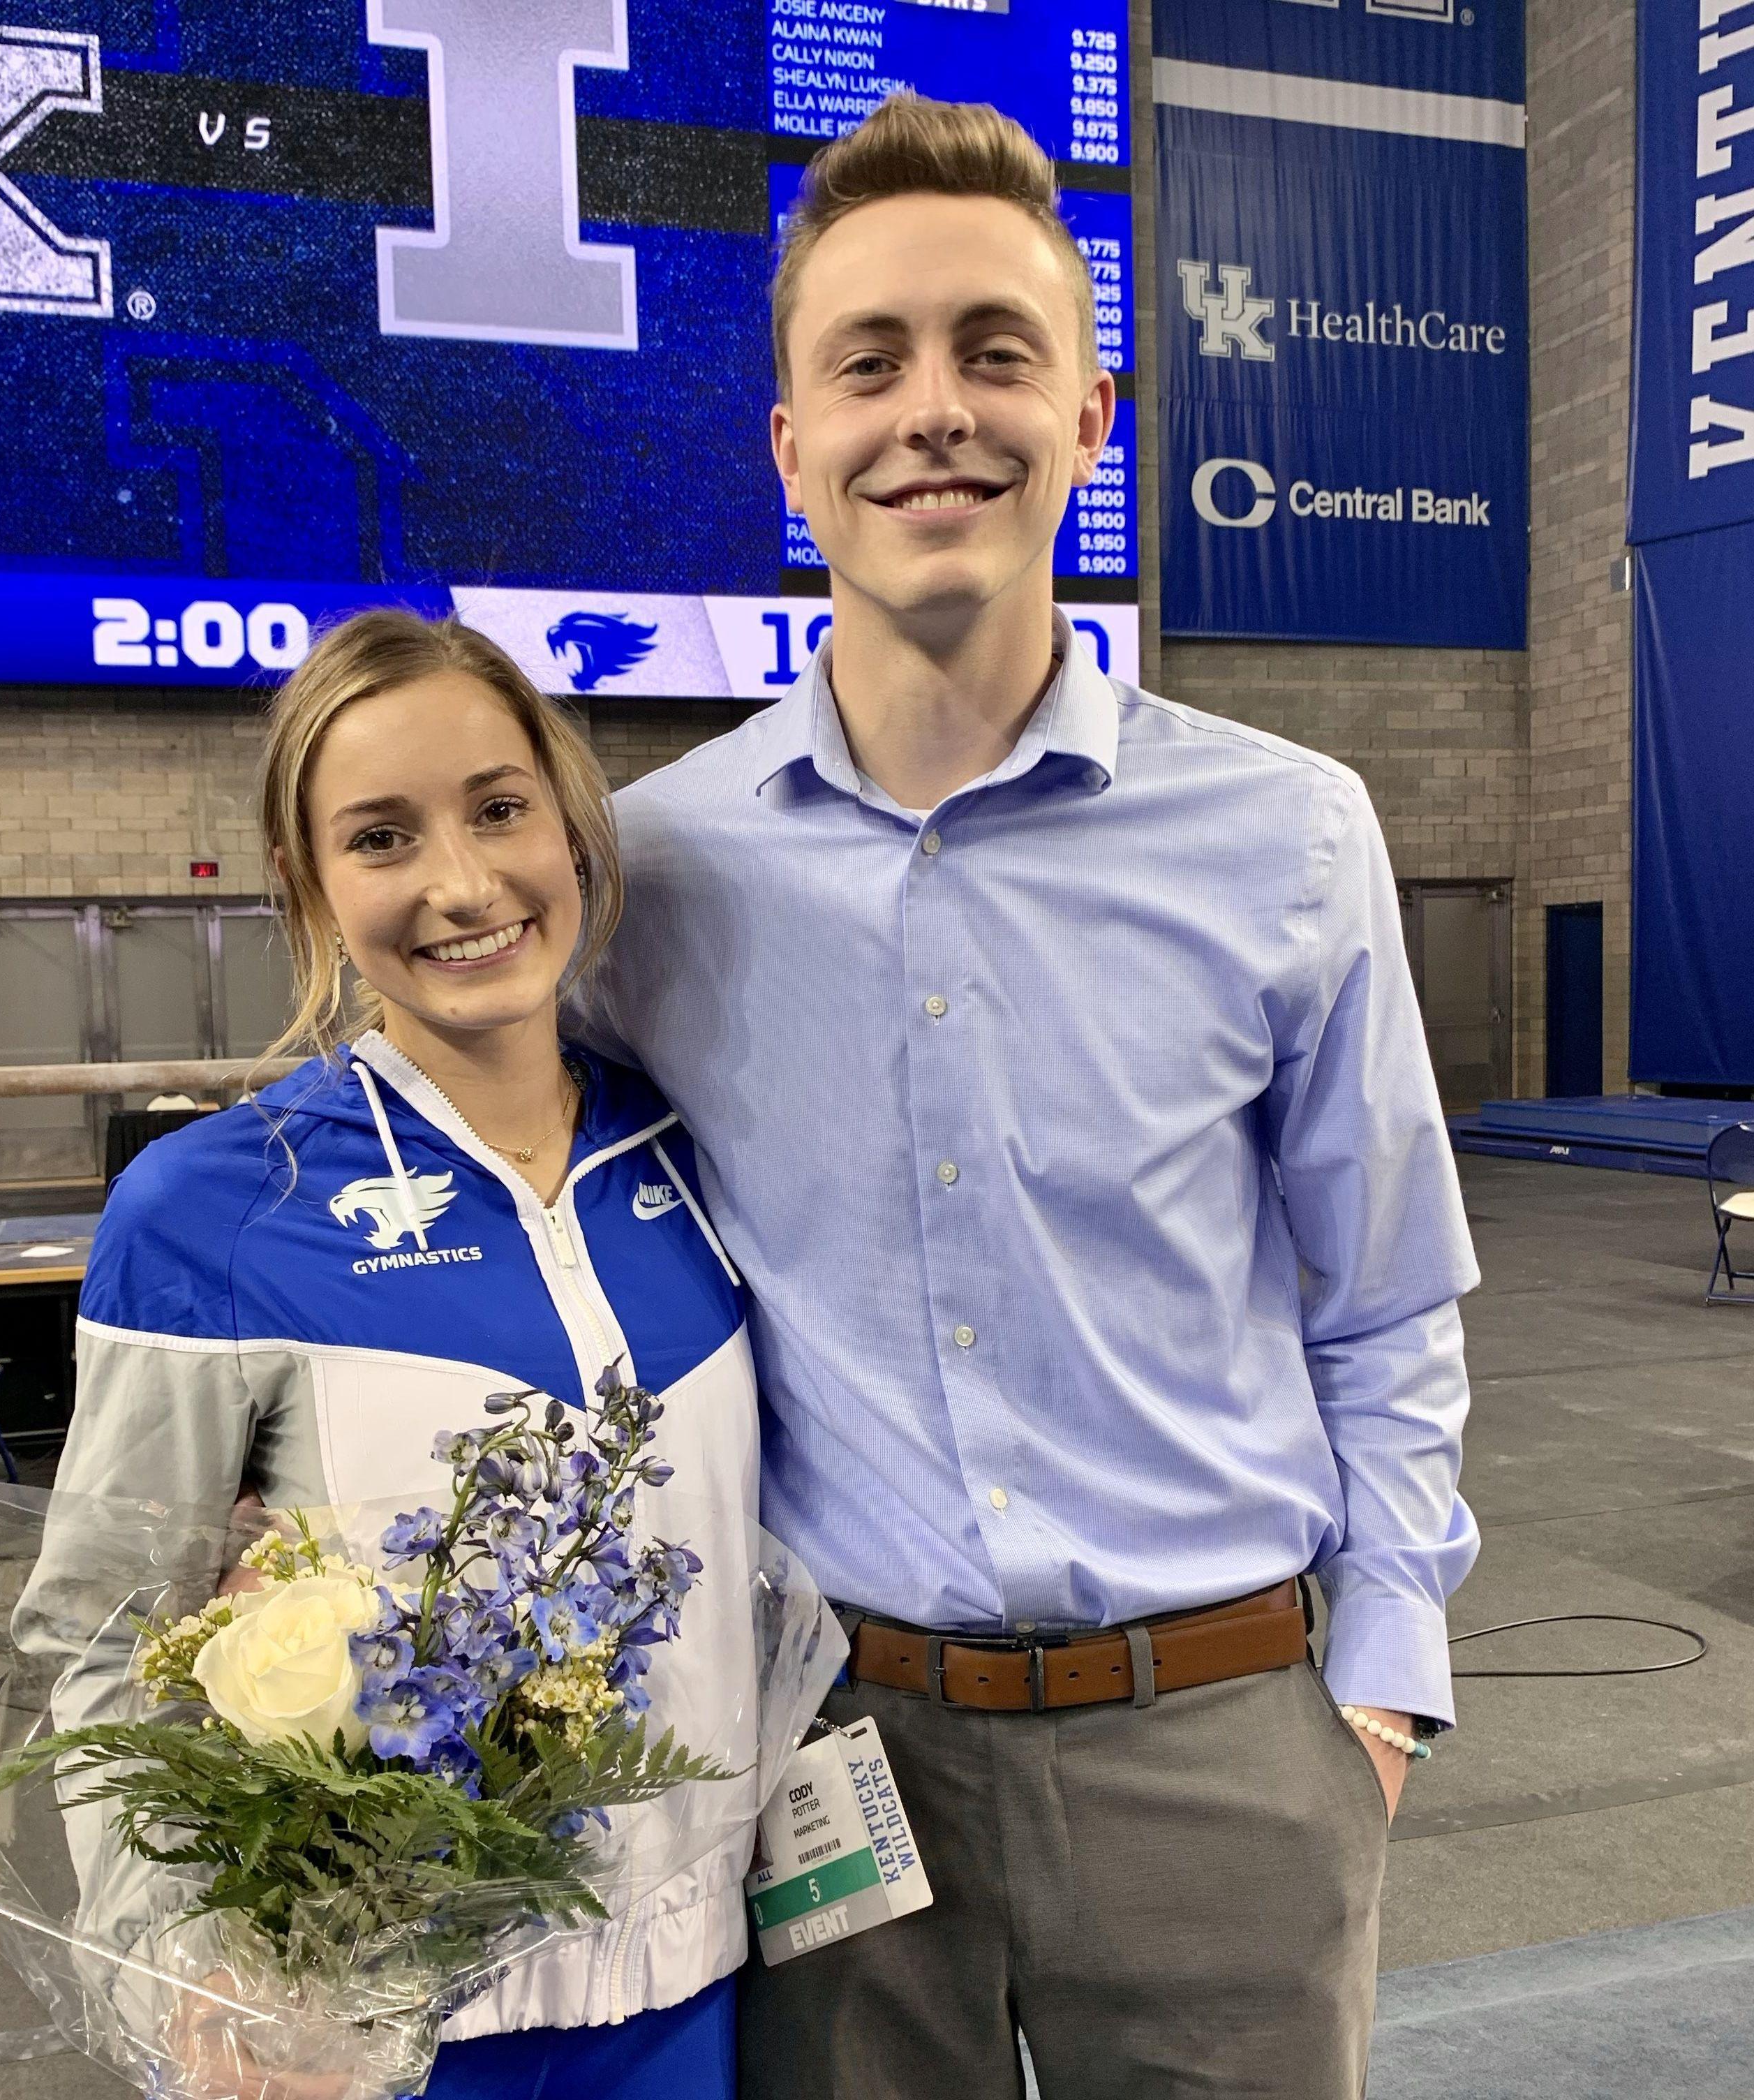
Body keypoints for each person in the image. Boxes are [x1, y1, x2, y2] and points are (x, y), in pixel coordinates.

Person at [579, 96, 1480, 2099]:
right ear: (791, 446)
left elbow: (1388, 1294)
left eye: (998, 353)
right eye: (869, 363)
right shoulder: (650, 881)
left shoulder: (1288, 835)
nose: (936, 413)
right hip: (828, 1756)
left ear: (1089, 421)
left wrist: (1380, 1686)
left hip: (1224, 1742)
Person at [17, 612, 759, 2100]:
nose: (461, 883)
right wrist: (181, 1971)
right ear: (308, 885)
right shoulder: (218, 1208)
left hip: (709, 1996)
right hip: (393, 2035)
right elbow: (103, 1634)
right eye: (381, 836)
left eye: (499, 808)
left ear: (571, 825)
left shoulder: (701, 1147)